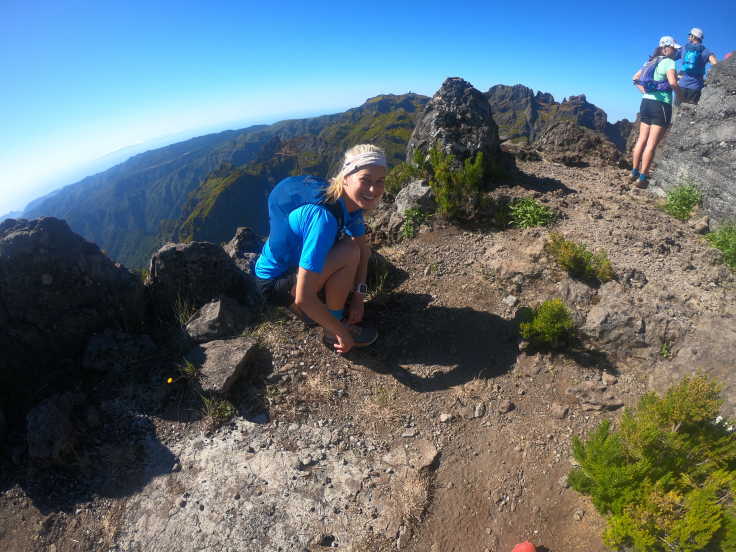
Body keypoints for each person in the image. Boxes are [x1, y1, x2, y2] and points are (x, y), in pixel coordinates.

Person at [254, 144, 386, 353]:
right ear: (346, 178)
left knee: (359, 250)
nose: (373, 190)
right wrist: (342, 332)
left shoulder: (350, 205)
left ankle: (310, 311)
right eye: (365, 179)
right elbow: (304, 297)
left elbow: (364, 253)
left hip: (289, 265)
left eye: (379, 181)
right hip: (274, 282)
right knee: (349, 251)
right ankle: (331, 331)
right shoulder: (323, 218)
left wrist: (359, 298)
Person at [629, 37, 691, 188]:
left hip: (646, 103)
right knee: (651, 143)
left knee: (641, 140)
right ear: (665, 48)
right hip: (661, 105)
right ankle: (642, 179)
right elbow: (672, 83)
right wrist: (683, 99)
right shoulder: (669, 62)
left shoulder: (649, 62)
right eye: (673, 48)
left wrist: (645, 93)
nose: (675, 51)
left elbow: (635, 78)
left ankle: (634, 172)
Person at [675, 28, 718, 105]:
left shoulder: (684, 48)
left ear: (693, 37)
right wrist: (707, 80)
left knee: (677, 113)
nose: (688, 38)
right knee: (691, 114)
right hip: (696, 87)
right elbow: (716, 66)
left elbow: (672, 58)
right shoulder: (706, 52)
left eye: (689, 35)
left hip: (682, 85)